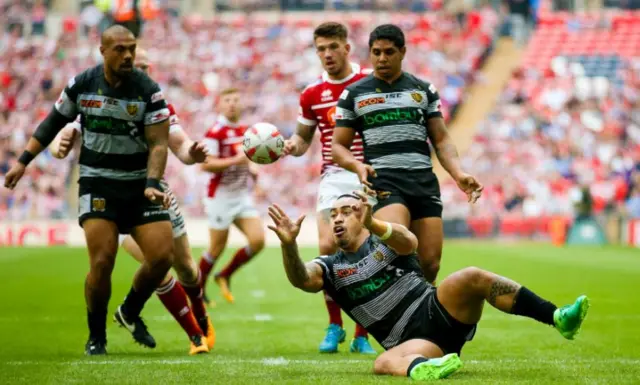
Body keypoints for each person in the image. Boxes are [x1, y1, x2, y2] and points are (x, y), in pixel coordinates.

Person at [267, 191, 590, 380]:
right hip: (413, 340)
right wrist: (288, 246)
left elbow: (409, 241)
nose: (337, 219)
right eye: (333, 214)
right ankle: (427, 368)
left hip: (438, 307)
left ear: (361, 216)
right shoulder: (330, 266)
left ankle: (558, 317)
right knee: (382, 362)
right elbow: (301, 279)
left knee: (472, 275)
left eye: (347, 212)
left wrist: (373, 223)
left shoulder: (384, 237)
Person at [3, 25, 175, 355]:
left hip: (139, 186)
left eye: (132, 49)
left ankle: (129, 310)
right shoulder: (82, 84)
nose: (128, 55)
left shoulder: (149, 90)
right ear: (103, 51)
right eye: (120, 49)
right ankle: (96, 337)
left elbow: (158, 144)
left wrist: (153, 183)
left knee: (162, 257)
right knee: (102, 261)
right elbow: (52, 122)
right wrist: (23, 161)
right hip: (98, 183)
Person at [49, 48, 215, 356]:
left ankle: (150, 313)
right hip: (110, 197)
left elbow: (180, 142)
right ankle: (195, 335)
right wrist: (64, 141)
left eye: (146, 66)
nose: (141, 71)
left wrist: (193, 151)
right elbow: (71, 128)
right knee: (151, 266)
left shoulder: (158, 103)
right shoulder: (96, 101)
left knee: (187, 268)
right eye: (137, 66)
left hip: (152, 193)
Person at [332, 24, 484, 285]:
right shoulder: (354, 94)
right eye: (376, 52)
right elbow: (338, 146)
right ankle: (384, 314)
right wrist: (357, 166)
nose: (381, 58)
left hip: (423, 182)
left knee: (430, 264)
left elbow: (441, 139)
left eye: (389, 52)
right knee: (396, 249)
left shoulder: (423, 90)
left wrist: (458, 174)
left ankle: (418, 319)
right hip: (384, 182)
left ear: (402, 52)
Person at [282, 21, 376, 355]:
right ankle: (335, 324)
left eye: (332, 47)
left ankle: (361, 333)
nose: (327, 54)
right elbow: (302, 138)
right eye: (321, 49)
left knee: (365, 252)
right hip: (334, 175)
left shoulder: (368, 81)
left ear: (347, 48)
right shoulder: (311, 93)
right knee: (327, 245)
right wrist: (288, 146)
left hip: (368, 175)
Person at [198, 88, 265, 305]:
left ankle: (224, 275)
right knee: (216, 248)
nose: (232, 104)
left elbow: (250, 159)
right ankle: (197, 290)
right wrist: (237, 160)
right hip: (219, 197)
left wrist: (255, 177)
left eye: (236, 100)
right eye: (227, 100)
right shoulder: (215, 132)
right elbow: (206, 165)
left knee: (258, 241)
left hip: (240, 195)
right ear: (220, 104)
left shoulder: (246, 130)